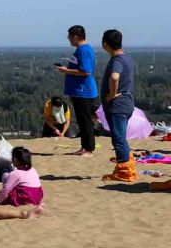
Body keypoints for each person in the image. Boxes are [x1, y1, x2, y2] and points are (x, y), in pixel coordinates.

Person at [99, 30, 138, 184]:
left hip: (118, 105)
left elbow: (115, 77)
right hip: (126, 103)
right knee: (120, 137)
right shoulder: (127, 58)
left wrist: (113, 94)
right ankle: (125, 164)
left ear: (105, 44)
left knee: (118, 138)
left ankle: (124, 171)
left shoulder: (117, 60)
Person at [58, 25, 100, 156]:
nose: (68, 39)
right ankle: (84, 147)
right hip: (79, 91)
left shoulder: (84, 51)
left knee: (86, 120)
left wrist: (66, 71)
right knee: (82, 120)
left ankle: (89, 148)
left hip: (83, 91)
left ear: (75, 36)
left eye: (69, 36)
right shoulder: (81, 50)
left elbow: (85, 71)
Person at [0, 147, 46, 214]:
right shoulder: (33, 170)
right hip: (38, 196)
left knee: (5, 176)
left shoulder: (16, 173)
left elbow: (6, 190)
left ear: (15, 159)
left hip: (26, 198)